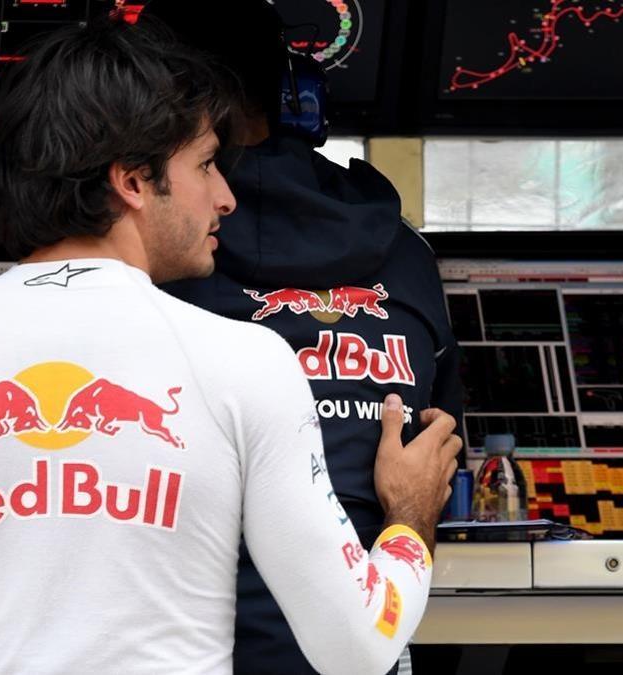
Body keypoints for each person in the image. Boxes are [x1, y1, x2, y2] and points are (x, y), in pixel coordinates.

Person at [0, 16, 460, 675]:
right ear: (132, 180)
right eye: (204, 165)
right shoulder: (245, 362)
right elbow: (359, 645)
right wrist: (407, 516)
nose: (226, 196)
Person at [143, 2, 465, 673]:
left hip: (176, 645)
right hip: (361, 635)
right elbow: (441, 448)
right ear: (294, 94)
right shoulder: (404, 253)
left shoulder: (147, 251)